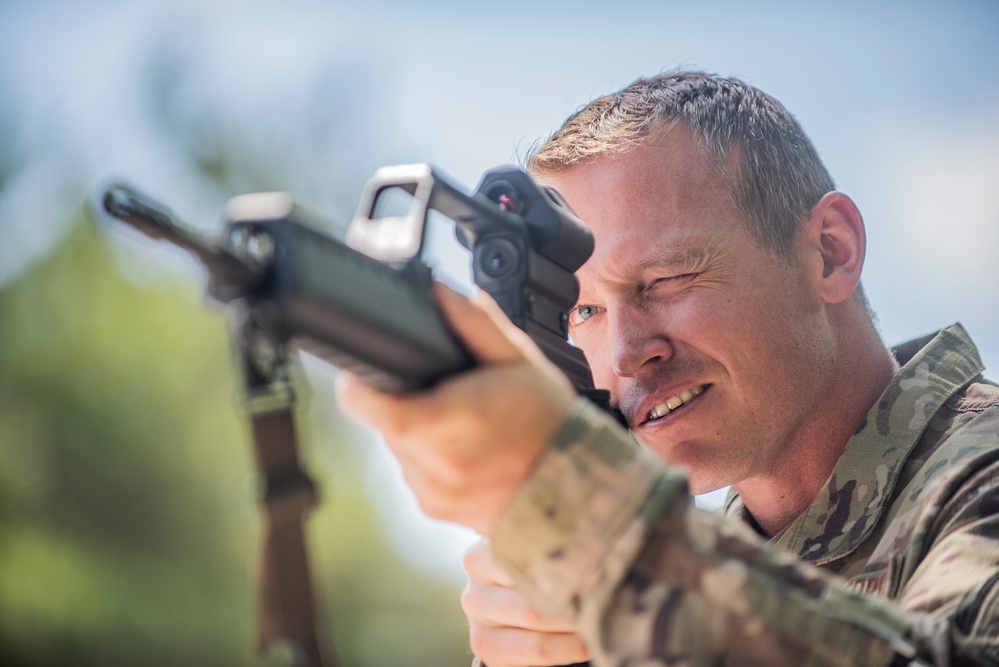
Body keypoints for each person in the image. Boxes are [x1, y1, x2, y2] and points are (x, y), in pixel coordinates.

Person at [337, 71, 999, 666]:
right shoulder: (728, 558)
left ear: (829, 252)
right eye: (585, 311)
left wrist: (607, 542)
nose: (626, 353)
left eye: (665, 277)